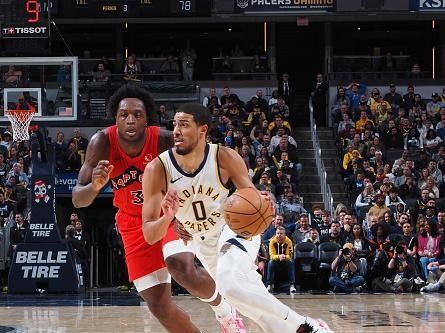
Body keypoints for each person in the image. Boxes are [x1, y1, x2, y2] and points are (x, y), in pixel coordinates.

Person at [142, 102, 333, 333]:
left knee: (230, 285)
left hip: (235, 228)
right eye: (175, 125)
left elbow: (250, 195)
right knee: (267, 321)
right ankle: (301, 326)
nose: (176, 132)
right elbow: (150, 234)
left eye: (184, 125)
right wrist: (168, 218)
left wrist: (261, 200)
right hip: (203, 243)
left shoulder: (223, 157)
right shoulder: (157, 169)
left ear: (202, 130)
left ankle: (307, 326)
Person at [72, 85, 219, 333]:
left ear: (147, 118)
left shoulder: (163, 139)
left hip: (168, 215)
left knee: (180, 267)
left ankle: (224, 309)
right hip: (131, 224)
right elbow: (78, 200)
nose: (130, 120)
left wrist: (189, 214)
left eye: (137, 115)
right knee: (159, 306)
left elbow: (200, 173)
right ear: (115, 118)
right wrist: (95, 187)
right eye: (124, 115)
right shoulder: (102, 142)